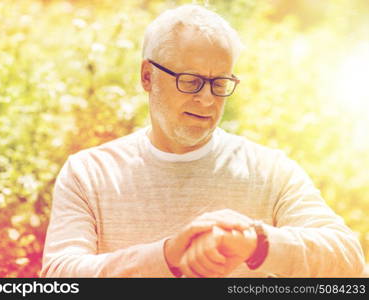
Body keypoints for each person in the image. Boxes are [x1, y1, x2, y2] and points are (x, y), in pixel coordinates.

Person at [40, 4, 365, 278]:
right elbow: (60, 274)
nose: (207, 100)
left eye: (219, 83)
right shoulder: (89, 172)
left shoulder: (270, 171)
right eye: (191, 81)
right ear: (147, 77)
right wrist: (167, 256)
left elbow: (350, 262)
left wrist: (258, 244)